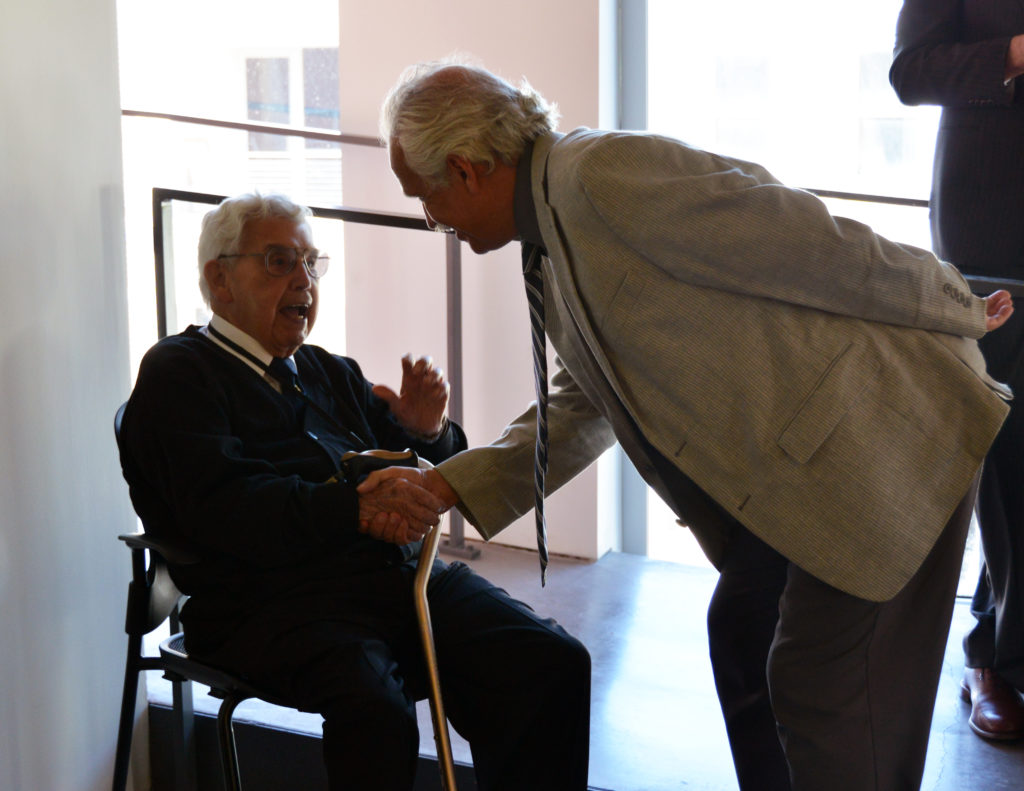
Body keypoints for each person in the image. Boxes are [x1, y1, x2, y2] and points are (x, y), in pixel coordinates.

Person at [366, 61, 1016, 791]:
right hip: (796, 479)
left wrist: (952, 299)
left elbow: (800, 235)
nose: (432, 222)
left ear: (467, 169)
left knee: (824, 692)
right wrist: (450, 484)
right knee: (745, 636)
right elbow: (585, 402)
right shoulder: (548, 239)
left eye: (425, 198)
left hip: (874, 449)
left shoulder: (598, 174)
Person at [117, 192, 591, 790]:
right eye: (280, 261)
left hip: (395, 580)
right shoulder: (179, 373)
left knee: (549, 662)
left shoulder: (324, 370)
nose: (304, 281)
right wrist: (356, 508)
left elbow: (427, 469)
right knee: (378, 714)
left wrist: (429, 431)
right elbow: (222, 508)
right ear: (220, 278)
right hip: (271, 602)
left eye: (312, 264)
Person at [890, 0, 1024, 742]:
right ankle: (997, 662)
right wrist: (1014, 52)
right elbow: (911, 71)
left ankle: (993, 645)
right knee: (1006, 446)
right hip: (995, 229)